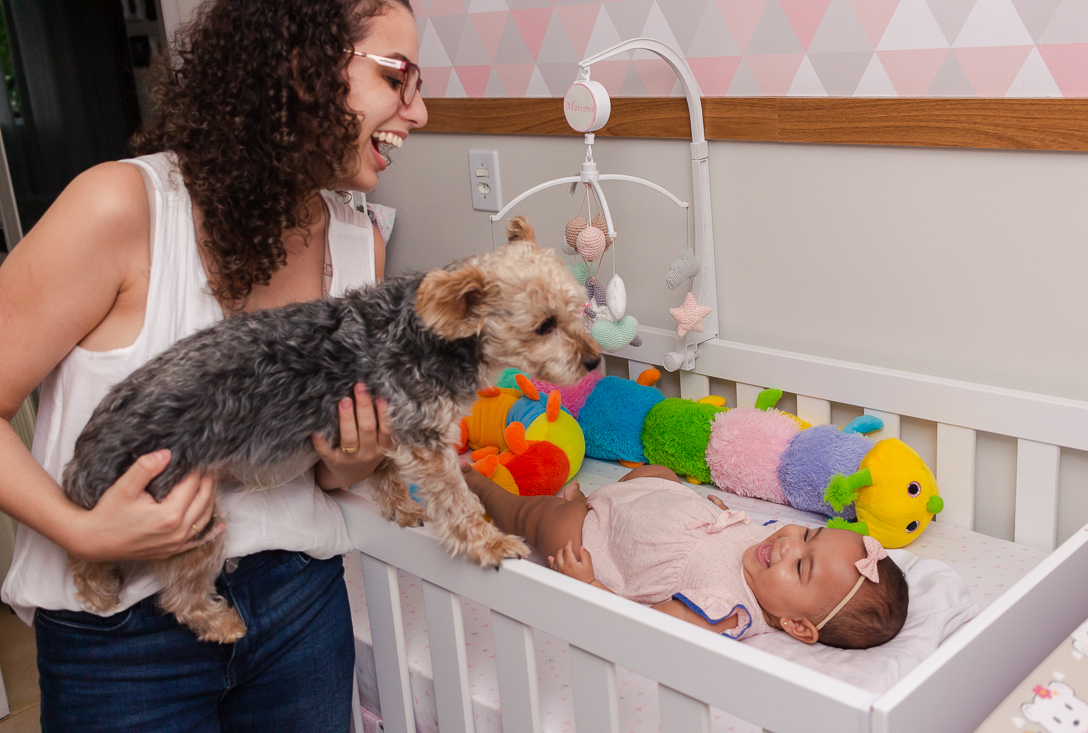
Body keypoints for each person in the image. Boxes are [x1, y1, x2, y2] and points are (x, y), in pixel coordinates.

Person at [0, 0, 426, 729]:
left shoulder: (358, 248)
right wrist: (82, 532)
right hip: (124, 634)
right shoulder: (122, 208)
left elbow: (310, 466)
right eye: (399, 78)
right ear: (301, 68)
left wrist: (349, 464)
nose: (417, 113)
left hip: (300, 606)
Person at [464, 464, 909, 649]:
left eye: (800, 566)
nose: (791, 544)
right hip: (651, 499)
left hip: (598, 538)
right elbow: (735, 528)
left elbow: (647, 625)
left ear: (796, 625)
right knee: (658, 472)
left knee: (537, 519)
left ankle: (481, 488)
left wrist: (589, 585)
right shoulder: (768, 548)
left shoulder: (726, 611)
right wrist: (716, 511)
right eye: (810, 533)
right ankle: (589, 493)